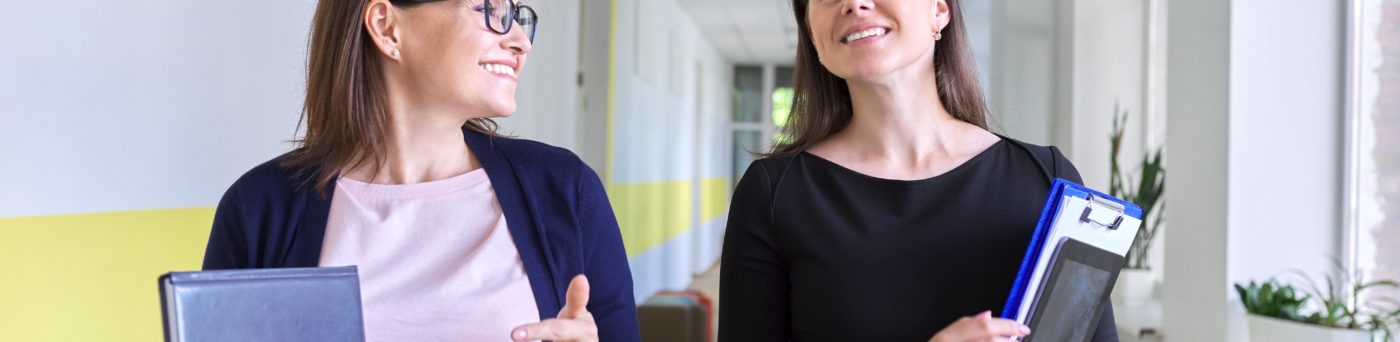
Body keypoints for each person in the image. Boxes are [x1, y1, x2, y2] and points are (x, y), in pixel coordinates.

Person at [201, 1, 640, 341]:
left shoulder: (564, 189)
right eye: (488, 10)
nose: (520, 41)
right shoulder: (257, 208)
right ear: (386, 27)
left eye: (517, 16)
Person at [718, 0, 1118, 341]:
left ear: (939, 9)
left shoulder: (1044, 179)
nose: (854, 3)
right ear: (812, 36)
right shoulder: (772, 196)